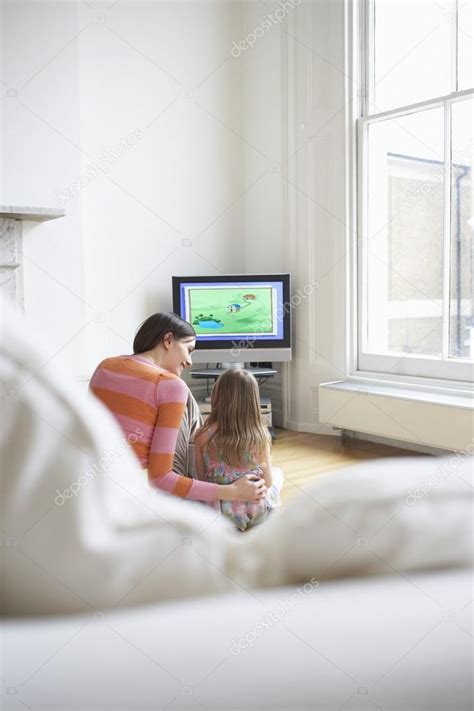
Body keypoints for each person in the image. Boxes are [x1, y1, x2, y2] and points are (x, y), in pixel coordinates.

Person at [89, 312, 266, 506]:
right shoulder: (169, 385)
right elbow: (160, 479)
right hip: (140, 495)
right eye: (188, 349)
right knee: (181, 390)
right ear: (168, 340)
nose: (189, 361)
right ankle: (222, 470)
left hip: (96, 483)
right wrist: (232, 492)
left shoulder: (105, 366)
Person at [194, 369, 281, 531]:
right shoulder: (261, 437)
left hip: (220, 513)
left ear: (217, 397)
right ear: (253, 402)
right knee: (276, 477)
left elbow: (202, 480)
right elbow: (267, 482)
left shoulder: (202, 436)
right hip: (256, 509)